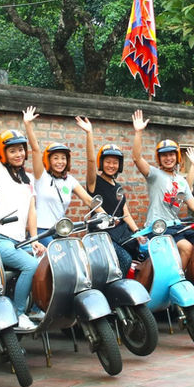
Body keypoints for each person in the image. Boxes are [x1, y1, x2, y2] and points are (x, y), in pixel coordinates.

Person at [0, 86, 46, 330]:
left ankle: (36, 308)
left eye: (21, 149)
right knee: (30, 266)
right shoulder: (0, 174)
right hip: (0, 239)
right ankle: (18, 314)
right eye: (13, 150)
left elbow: (32, 210)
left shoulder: (27, 179)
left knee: (48, 260)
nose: (19, 154)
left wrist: (35, 238)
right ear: (4, 154)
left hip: (20, 241)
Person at [130, 109, 194, 267]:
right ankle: (177, 279)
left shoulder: (181, 181)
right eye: (164, 155)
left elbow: (193, 205)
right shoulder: (154, 175)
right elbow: (136, 158)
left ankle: (191, 277)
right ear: (159, 158)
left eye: (171, 154)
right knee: (186, 248)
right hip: (158, 227)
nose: (168, 158)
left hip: (176, 226)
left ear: (177, 156)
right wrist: (138, 132)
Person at [78, 117, 142, 274]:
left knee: (144, 254)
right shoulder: (95, 183)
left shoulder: (118, 188)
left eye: (115, 162)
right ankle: (115, 293)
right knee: (125, 260)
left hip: (120, 233)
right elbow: (90, 161)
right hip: (101, 235)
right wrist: (89, 133)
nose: (111, 165)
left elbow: (125, 214)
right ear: (102, 162)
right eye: (108, 161)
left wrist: (139, 233)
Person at [23, 107, 95, 243]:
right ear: (48, 160)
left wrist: (104, 214)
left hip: (60, 230)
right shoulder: (41, 176)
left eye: (63, 158)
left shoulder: (70, 181)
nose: (60, 162)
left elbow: (88, 200)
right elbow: (35, 149)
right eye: (55, 158)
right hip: (41, 231)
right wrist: (28, 124)